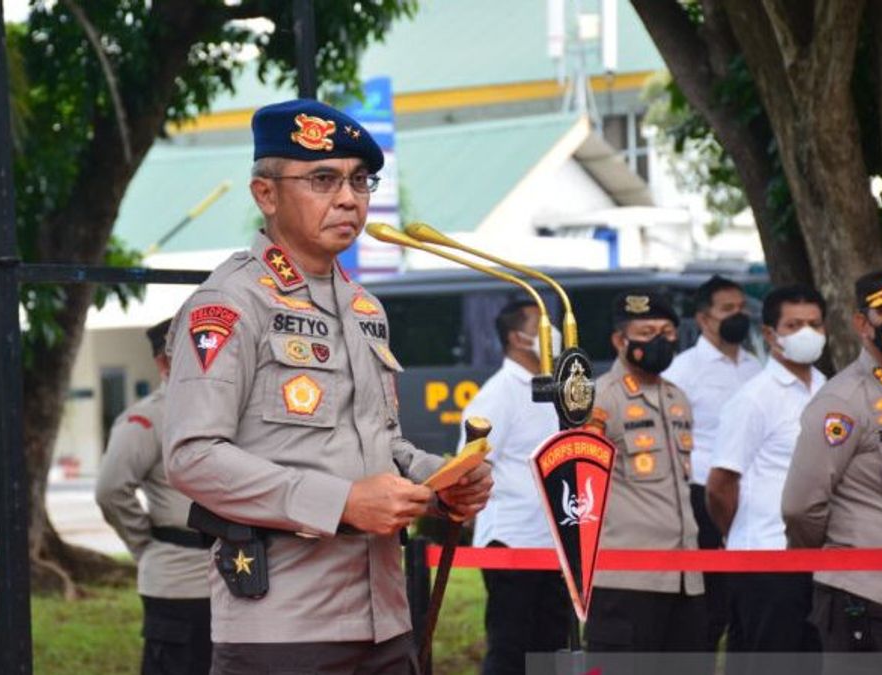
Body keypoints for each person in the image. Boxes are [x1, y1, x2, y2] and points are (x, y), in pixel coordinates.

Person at [161, 99, 493, 674]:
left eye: (360, 180)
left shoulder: (365, 308)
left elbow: (380, 441)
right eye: (323, 180)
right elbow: (192, 458)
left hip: (385, 619)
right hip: (285, 627)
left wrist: (437, 480)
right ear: (265, 195)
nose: (349, 198)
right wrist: (342, 503)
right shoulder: (230, 304)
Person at [783, 267, 882, 672]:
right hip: (874, 604)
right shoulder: (843, 402)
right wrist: (839, 558)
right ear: (862, 324)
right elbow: (801, 507)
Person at [707, 285, 827, 672]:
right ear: (771, 335)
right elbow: (721, 483)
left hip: (821, 561)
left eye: (814, 324)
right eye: (794, 324)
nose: (806, 333)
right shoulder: (754, 398)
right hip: (765, 559)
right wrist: (739, 534)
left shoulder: (829, 391)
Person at [583, 290, 705, 654]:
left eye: (667, 332)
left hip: (687, 577)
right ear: (621, 340)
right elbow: (580, 488)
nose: (660, 341)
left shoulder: (677, 397)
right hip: (627, 579)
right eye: (647, 332)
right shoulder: (600, 400)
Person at [95, 318, 212, 675]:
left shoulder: (229, 409)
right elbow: (111, 490)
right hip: (178, 581)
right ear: (163, 363)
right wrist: (144, 544)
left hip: (236, 578)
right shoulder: (145, 420)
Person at [460, 300, 568, 674]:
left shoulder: (553, 389)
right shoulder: (498, 394)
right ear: (517, 337)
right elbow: (471, 466)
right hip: (511, 542)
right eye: (541, 324)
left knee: (554, 648)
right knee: (511, 649)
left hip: (552, 540)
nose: (551, 333)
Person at [662, 274, 760, 650]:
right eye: (727, 310)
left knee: (746, 608)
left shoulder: (756, 366)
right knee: (708, 610)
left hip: (751, 500)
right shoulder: (682, 371)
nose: (738, 316)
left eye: (741, 309)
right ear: (704, 319)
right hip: (702, 496)